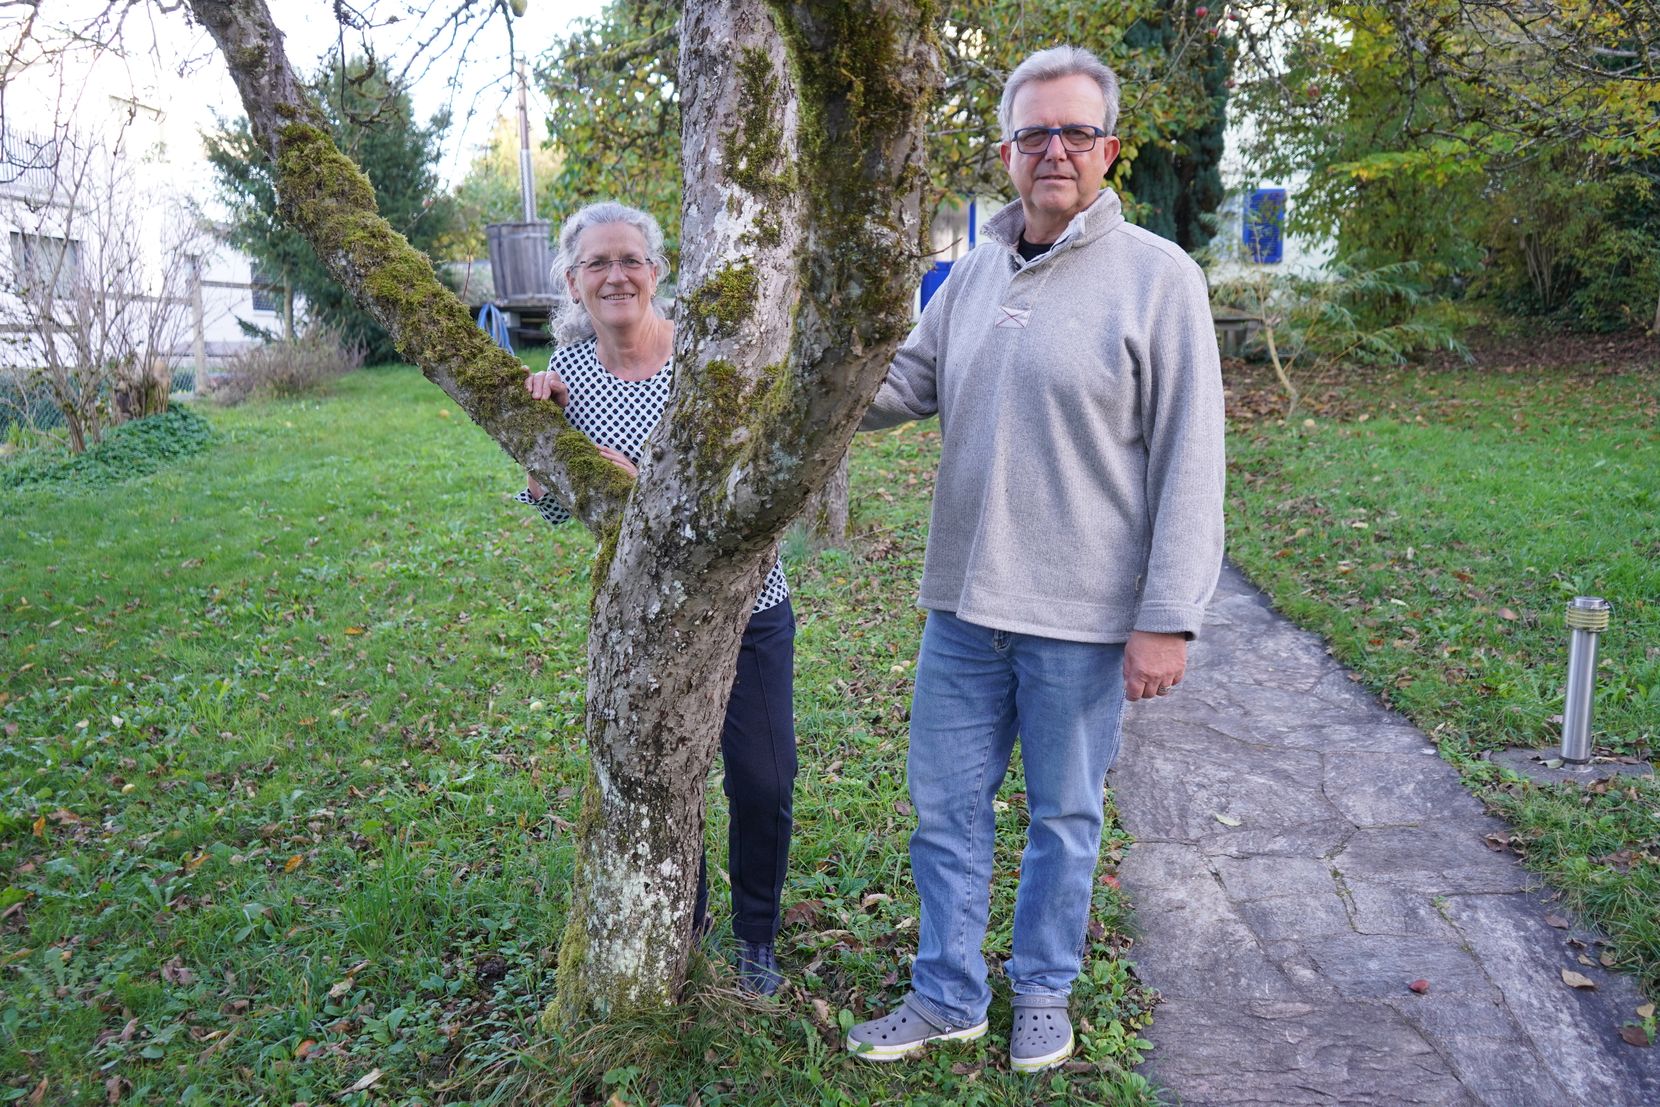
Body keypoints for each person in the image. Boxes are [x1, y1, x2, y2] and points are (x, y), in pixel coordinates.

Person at [844, 46, 1225, 1072]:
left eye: (1074, 133)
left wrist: (1167, 615)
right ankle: (945, 995)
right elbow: (895, 388)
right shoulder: (970, 272)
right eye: (1032, 134)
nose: (1052, 150)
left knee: (1063, 818)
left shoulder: (1158, 279)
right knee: (945, 815)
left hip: (1083, 619)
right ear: (1006, 151)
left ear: (1108, 149)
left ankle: (1044, 992)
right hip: (964, 612)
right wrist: (794, 372)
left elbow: (1192, 460)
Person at [516, 201, 797, 996]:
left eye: (630, 259)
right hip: (645, 619)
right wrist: (548, 454)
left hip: (747, 605)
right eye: (597, 264)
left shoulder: (707, 361)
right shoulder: (565, 377)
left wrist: (639, 481)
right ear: (572, 282)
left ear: (658, 270)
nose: (616, 275)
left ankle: (756, 941)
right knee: (669, 781)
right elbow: (551, 501)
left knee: (762, 778)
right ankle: (692, 924)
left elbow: (741, 489)